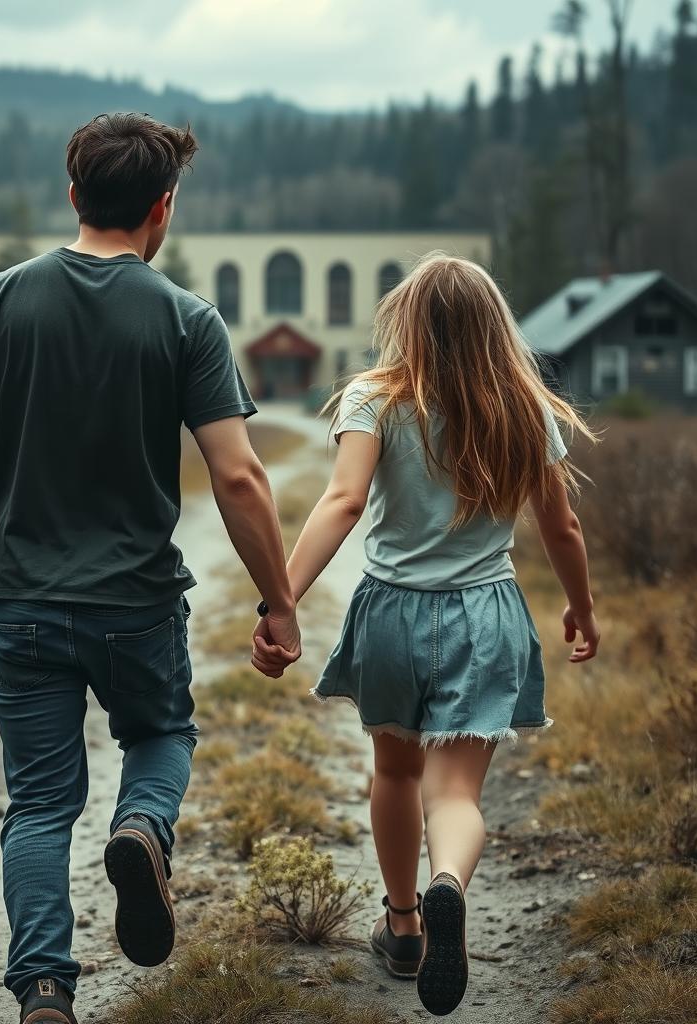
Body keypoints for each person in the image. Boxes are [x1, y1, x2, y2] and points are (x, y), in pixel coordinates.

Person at [0, 113, 301, 1024]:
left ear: (74, 194)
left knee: (38, 803)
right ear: (163, 209)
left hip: (23, 600)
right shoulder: (185, 320)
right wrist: (279, 602)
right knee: (161, 737)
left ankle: (43, 987)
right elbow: (237, 475)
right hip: (136, 603)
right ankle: (140, 830)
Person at [251, 253, 599, 1017]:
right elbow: (561, 524)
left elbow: (342, 502)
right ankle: (450, 884)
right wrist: (581, 607)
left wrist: (282, 600)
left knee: (397, 773)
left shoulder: (375, 398)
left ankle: (405, 925)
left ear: (405, 321)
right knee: (456, 793)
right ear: (493, 327)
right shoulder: (524, 407)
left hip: (391, 614)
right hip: (486, 614)